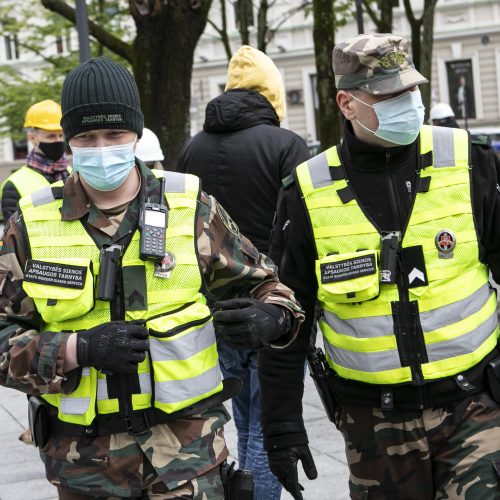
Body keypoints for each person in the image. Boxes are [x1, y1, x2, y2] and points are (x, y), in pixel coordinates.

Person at [0, 56, 304, 499]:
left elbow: (270, 287)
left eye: (115, 134)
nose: (102, 147)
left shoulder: (189, 204)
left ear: (136, 134)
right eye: (87, 136)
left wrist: (271, 318)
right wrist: (73, 349)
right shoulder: (29, 224)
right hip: (84, 468)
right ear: (69, 140)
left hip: (188, 460)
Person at [259, 33, 500, 500]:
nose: (409, 103)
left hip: (474, 407)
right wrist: (283, 427)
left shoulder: (467, 161)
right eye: (389, 95)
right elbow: (289, 317)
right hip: (375, 424)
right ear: (347, 104)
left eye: (411, 90)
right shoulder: (307, 192)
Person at [178, 45, 310, 500]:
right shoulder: (286, 145)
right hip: (270, 303)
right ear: (273, 95)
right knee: (268, 422)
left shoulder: (192, 148)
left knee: (244, 417)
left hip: (215, 306)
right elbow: (300, 226)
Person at [1, 99, 70, 221]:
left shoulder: (75, 172)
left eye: (60, 135)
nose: (58, 141)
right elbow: (13, 236)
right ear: (32, 138)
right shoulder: (14, 185)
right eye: (51, 136)